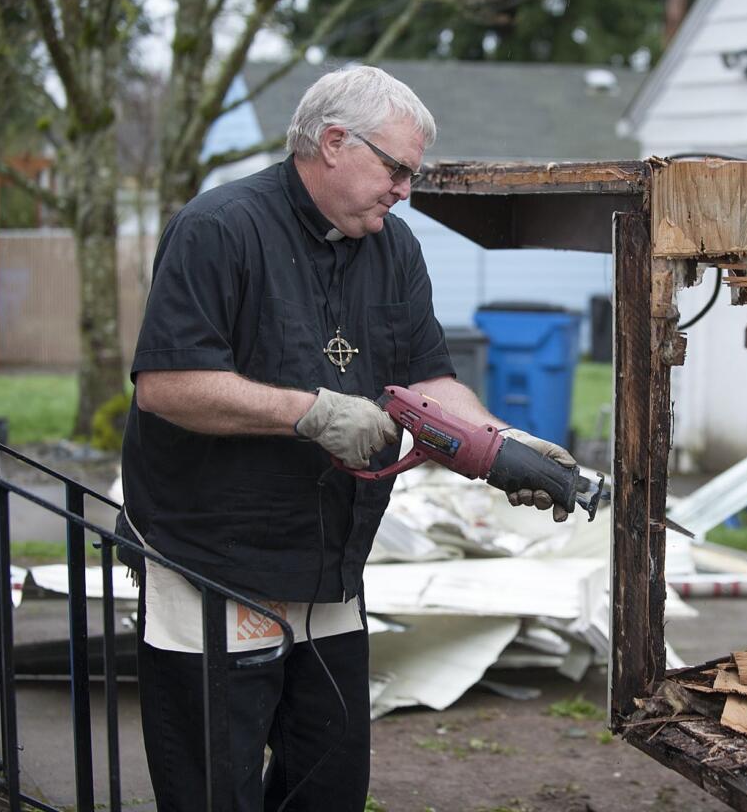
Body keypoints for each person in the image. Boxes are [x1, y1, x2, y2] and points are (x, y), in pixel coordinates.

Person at [118, 66, 575, 811]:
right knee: (214, 792)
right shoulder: (217, 229)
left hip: (330, 565)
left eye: (411, 175)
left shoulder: (395, 249)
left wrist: (501, 445)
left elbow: (428, 378)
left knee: (327, 786)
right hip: (212, 559)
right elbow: (166, 384)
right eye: (396, 169)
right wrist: (310, 412)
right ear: (333, 142)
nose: (405, 191)